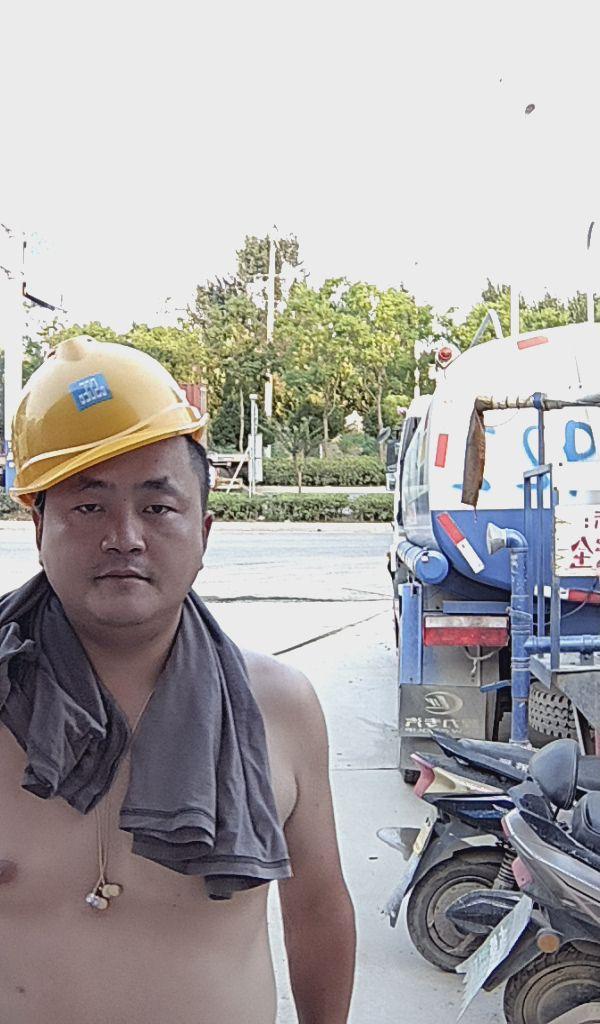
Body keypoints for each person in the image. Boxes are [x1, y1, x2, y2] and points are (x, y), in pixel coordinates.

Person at [0, 336, 356, 1024]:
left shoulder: (280, 707)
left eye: (157, 507)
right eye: (88, 506)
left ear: (205, 532)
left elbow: (317, 910)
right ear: (38, 526)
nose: (125, 537)